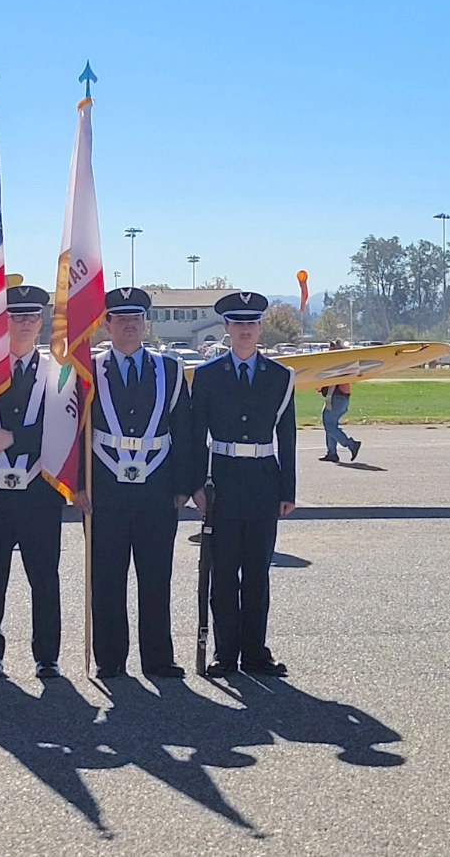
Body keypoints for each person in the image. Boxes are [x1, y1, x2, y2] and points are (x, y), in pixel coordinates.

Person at [74, 287, 192, 679]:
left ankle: (158, 658)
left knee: (156, 576)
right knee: (107, 577)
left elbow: (185, 430)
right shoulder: (86, 368)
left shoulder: (169, 369)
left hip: (157, 487)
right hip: (103, 485)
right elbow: (73, 431)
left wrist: (184, 484)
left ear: (145, 324)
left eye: (136, 319)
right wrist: (77, 485)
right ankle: (110, 659)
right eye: (120, 319)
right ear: (106, 324)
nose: (129, 325)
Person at [190, 291, 296, 678]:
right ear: (227, 328)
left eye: (252, 323)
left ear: (260, 328)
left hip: (263, 482)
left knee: (257, 573)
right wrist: (197, 484)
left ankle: (255, 652)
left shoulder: (281, 377)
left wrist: (288, 490)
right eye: (239, 323)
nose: (246, 330)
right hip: (222, 481)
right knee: (223, 572)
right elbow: (195, 434)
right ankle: (225, 652)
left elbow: (287, 437)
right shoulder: (206, 376)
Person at [0, 284, 66, 679]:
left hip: (39, 494)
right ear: (3, 321)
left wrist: (15, 437)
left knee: (44, 580)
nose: (25, 323)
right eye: (16, 316)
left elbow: (65, 430)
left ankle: (47, 656)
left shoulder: (56, 372)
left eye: (31, 316)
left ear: (41, 321)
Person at [318, 340, 360, 463]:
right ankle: (332, 453)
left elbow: (333, 382)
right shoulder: (343, 361)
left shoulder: (337, 362)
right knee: (330, 424)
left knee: (329, 425)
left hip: (337, 398)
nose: (329, 350)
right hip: (342, 399)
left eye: (332, 348)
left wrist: (328, 398)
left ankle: (351, 444)